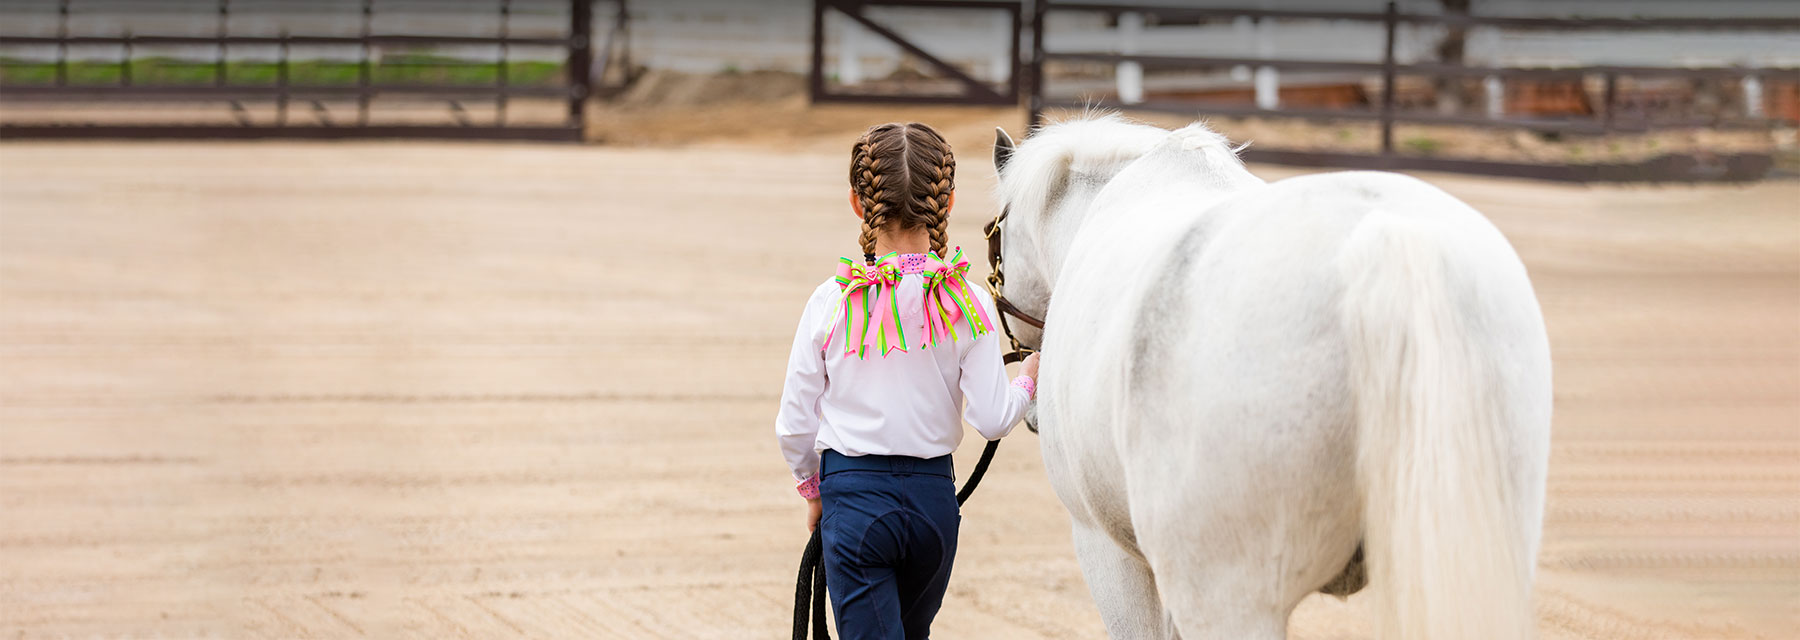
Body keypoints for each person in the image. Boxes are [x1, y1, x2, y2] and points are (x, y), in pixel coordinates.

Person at [775, 122, 1040, 640]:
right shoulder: (969, 303)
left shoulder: (831, 300)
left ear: (858, 202)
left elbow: (793, 422)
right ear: (949, 202)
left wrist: (813, 490)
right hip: (933, 509)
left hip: (853, 499)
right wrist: (1026, 379)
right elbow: (991, 418)